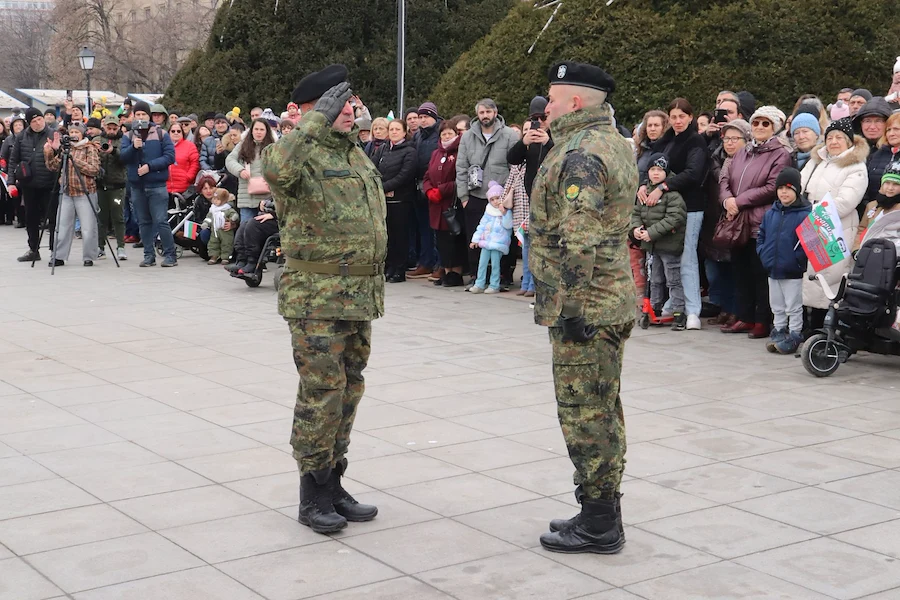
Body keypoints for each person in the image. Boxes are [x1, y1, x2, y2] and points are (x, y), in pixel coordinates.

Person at [260, 65, 385, 534]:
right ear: (313, 109)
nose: (349, 110)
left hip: (357, 296)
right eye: (338, 103)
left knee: (349, 389)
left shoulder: (353, 153)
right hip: (316, 297)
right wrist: (311, 123)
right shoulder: (296, 152)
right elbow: (274, 171)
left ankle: (333, 482)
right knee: (321, 392)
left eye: (350, 102)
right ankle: (311, 494)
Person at [530, 61, 637, 554]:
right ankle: (600, 509)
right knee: (603, 407)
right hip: (608, 297)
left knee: (584, 413)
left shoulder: (581, 153)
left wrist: (571, 305)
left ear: (574, 102)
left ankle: (599, 523)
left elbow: (579, 234)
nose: (546, 108)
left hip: (588, 304)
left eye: (552, 99)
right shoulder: (611, 141)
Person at [719, 106, 792, 338]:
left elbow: (772, 187)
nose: (759, 127)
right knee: (740, 271)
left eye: (765, 123)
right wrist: (727, 201)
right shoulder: (744, 151)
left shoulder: (781, 154)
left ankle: (762, 320)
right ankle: (745, 316)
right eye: (756, 123)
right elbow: (725, 179)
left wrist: (738, 201)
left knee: (760, 273)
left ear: (775, 127)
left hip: (761, 222)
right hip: (736, 220)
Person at [646, 98, 709, 330]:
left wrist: (663, 187)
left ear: (690, 117)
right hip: (667, 207)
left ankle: (693, 311)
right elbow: (653, 167)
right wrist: (645, 185)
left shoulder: (696, 141)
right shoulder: (667, 140)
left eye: (682, 116)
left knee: (687, 258)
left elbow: (693, 173)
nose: (678, 121)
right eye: (673, 117)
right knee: (668, 258)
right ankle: (674, 303)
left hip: (690, 206)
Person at [800, 117, 868, 329]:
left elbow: (846, 202)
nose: (834, 142)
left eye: (839, 137)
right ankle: (806, 328)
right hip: (810, 223)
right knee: (809, 277)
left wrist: (812, 212)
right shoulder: (816, 161)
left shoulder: (855, 166)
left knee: (830, 278)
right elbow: (800, 185)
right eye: (830, 137)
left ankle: (824, 330)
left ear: (849, 141)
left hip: (836, 227)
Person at [455, 98, 519, 287]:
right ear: (477, 114)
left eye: (488, 112)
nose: (485, 116)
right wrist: (464, 197)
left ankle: (503, 276)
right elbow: (461, 167)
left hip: (501, 199)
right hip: (475, 196)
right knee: (476, 237)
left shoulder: (509, 135)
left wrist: (509, 197)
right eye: (482, 112)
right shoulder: (467, 137)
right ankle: (477, 276)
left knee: (503, 238)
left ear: (495, 113)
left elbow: (515, 168)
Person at [756, 167, 810, 354]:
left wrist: (798, 259)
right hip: (772, 268)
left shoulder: (804, 214)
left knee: (793, 305)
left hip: (792, 269)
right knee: (776, 304)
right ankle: (778, 330)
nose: (784, 192)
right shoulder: (771, 213)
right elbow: (761, 235)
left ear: (797, 190)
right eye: (780, 188)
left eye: (788, 188)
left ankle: (795, 333)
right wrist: (763, 253)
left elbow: (808, 243)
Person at [631, 153, 688, 328]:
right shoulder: (645, 192)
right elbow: (636, 213)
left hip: (669, 244)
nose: (656, 173)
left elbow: (675, 218)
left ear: (667, 173)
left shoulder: (672, 194)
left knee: (673, 279)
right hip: (651, 245)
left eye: (660, 170)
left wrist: (652, 232)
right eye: (653, 169)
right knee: (654, 279)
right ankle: (653, 308)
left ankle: (679, 311)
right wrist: (636, 229)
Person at [703, 119, 749, 327]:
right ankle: (724, 307)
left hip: (737, 218)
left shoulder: (747, 162)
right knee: (717, 271)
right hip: (715, 219)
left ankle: (736, 311)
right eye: (726, 138)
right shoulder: (714, 158)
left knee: (735, 271)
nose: (729, 143)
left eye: (735, 138)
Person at [120, 100, 177, 267]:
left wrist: (150, 167)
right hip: (137, 186)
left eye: (143, 114)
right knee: (143, 222)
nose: (140, 117)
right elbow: (122, 157)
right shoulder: (128, 136)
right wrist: (133, 147)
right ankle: (148, 255)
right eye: (137, 114)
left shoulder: (160, 134)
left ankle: (170, 255)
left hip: (157, 185)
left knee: (161, 221)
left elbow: (169, 156)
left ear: (149, 116)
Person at [508, 96, 554, 296]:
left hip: (552, 199)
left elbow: (564, 157)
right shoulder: (531, 140)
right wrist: (523, 142)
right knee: (530, 243)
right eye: (535, 119)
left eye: (542, 118)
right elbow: (512, 159)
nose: (539, 122)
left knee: (546, 245)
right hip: (532, 199)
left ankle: (542, 286)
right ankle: (529, 283)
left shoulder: (556, 135)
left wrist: (548, 142)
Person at [43, 122, 100, 267]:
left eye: (77, 132)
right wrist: (49, 152)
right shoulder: (65, 149)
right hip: (67, 192)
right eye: (72, 132)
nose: (74, 135)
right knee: (62, 226)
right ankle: (58, 256)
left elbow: (94, 169)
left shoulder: (90, 147)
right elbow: (53, 166)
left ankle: (89, 256)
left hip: (85, 191)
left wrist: (74, 159)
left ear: (82, 134)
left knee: (88, 227)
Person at [9, 108, 57, 262]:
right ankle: (33, 249)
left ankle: (54, 251)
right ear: (29, 123)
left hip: (50, 184)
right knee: (31, 219)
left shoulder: (53, 134)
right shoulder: (22, 137)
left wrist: (56, 148)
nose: (38, 123)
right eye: (34, 121)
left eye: (40, 119)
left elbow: (61, 157)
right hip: (29, 184)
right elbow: (13, 160)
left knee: (53, 219)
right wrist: (11, 183)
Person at [423, 120, 466, 287]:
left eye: (450, 133)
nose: (447, 136)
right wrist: (429, 190)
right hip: (436, 204)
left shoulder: (460, 151)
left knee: (454, 239)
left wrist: (442, 190)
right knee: (441, 241)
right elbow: (427, 175)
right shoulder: (436, 153)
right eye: (444, 134)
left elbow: (460, 177)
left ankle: (456, 273)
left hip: (451, 202)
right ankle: (446, 270)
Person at [373, 118, 417, 282]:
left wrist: (384, 187)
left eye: (397, 129)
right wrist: (378, 187)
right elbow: (373, 167)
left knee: (400, 236)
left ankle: (399, 269)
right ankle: (389, 266)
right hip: (383, 200)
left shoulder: (410, 151)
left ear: (404, 132)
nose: (394, 132)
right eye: (391, 129)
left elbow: (405, 175)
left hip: (401, 200)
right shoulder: (383, 149)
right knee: (388, 235)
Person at [409, 102, 442, 279]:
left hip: (435, 185)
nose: (422, 120)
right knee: (423, 227)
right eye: (420, 117)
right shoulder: (417, 136)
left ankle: (439, 264)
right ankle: (426, 262)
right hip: (419, 185)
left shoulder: (440, 132)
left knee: (437, 228)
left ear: (434, 117)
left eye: (426, 117)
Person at [226, 118, 277, 223]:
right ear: (251, 131)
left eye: (262, 130)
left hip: (267, 199)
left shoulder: (273, 147)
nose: (258, 132)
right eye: (256, 129)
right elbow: (229, 160)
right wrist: (240, 171)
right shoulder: (242, 145)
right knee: (245, 228)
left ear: (267, 131)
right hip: (246, 198)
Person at [466, 181, 513, 294]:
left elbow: (508, 226)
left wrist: (504, 213)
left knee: (495, 265)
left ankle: (494, 285)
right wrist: (475, 240)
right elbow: (481, 225)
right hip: (486, 241)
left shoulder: (506, 210)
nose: (495, 201)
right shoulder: (488, 211)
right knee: (482, 263)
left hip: (498, 243)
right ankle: (479, 283)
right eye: (492, 199)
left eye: (498, 198)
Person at [96, 115, 128, 261]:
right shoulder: (97, 139)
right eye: (109, 128)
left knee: (118, 217)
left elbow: (125, 158)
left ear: (118, 127)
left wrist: (113, 151)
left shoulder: (124, 141)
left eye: (114, 128)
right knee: (101, 217)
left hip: (117, 186)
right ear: (104, 127)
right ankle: (100, 247)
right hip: (100, 185)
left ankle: (121, 246)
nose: (111, 131)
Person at [853, 97, 894, 210]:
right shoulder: (851, 150)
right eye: (867, 121)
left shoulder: (894, 153)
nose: (872, 127)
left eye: (878, 121)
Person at [228, 198, 279, 278]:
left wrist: (274, 215)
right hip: (270, 216)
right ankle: (242, 260)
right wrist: (262, 203)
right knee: (244, 225)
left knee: (253, 225)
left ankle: (253, 262)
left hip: (283, 221)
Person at [202, 188, 239, 264]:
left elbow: (234, 214)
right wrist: (206, 223)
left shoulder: (227, 209)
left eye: (218, 199)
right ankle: (214, 256)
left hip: (226, 232)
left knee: (227, 244)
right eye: (214, 199)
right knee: (213, 243)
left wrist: (233, 219)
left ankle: (225, 257)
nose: (215, 201)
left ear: (224, 200)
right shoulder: (212, 209)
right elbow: (209, 217)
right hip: (215, 231)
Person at [166, 122, 200, 195]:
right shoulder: (163, 146)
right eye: (173, 131)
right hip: (165, 188)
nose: (176, 133)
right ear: (168, 133)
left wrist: (188, 177)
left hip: (184, 188)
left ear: (182, 133)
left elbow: (195, 163)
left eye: (178, 131)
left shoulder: (190, 146)